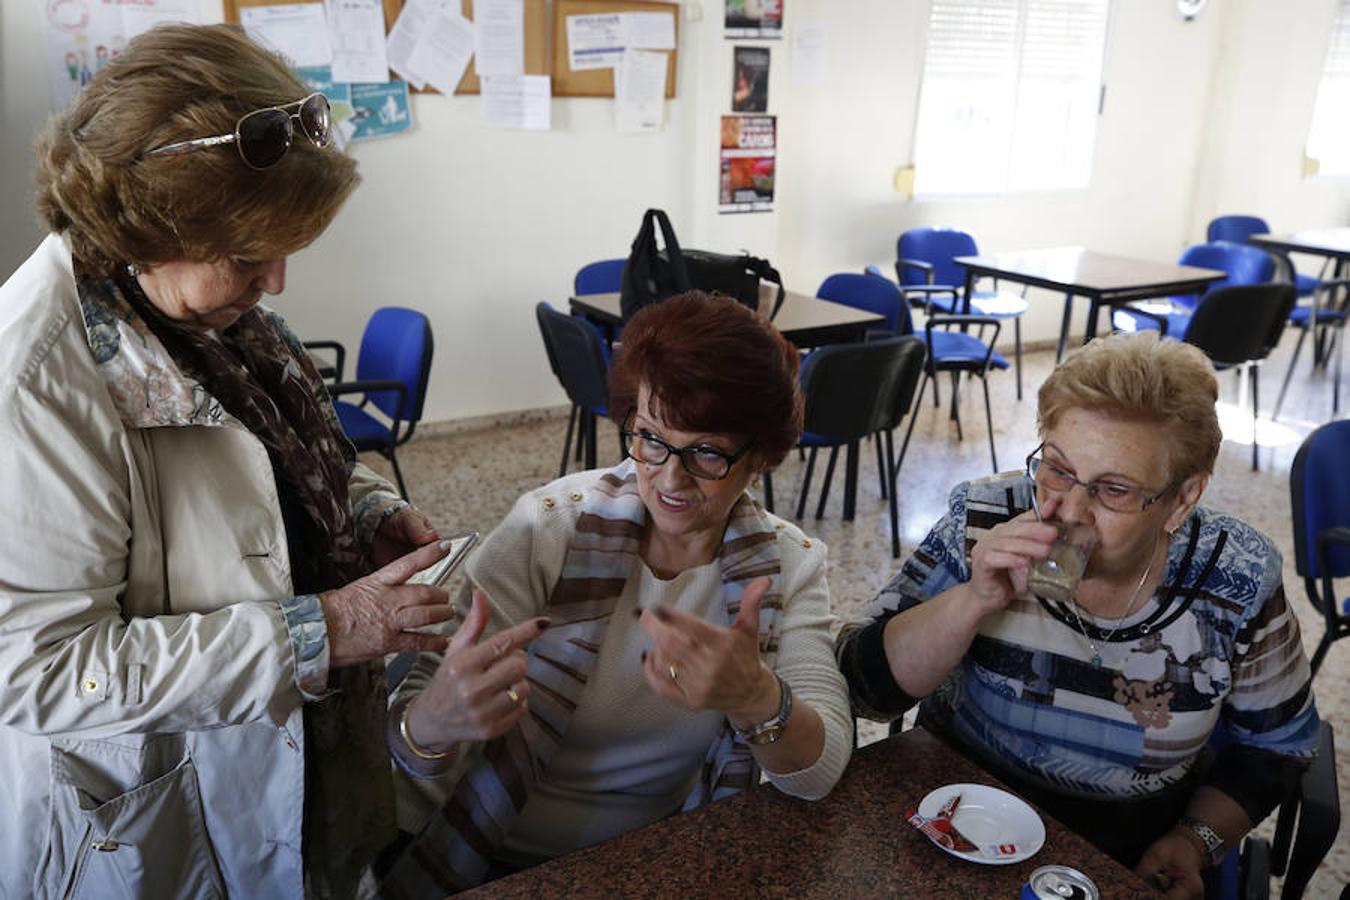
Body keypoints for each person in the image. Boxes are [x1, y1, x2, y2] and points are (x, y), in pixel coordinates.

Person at [0, 24, 458, 898]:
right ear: (143, 223)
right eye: (250, 257)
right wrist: (323, 631)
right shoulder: (33, 385)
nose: (277, 282)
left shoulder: (197, 311)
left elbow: (264, 462)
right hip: (152, 806)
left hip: (301, 757)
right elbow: (39, 669)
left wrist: (361, 510)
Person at [379, 292, 852, 895]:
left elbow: (820, 772)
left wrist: (759, 697)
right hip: (497, 857)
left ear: (759, 455)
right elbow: (408, 752)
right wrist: (431, 724)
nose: (669, 477)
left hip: (660, 856)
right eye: (651, 438)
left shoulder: (789, 563)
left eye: (706, 451)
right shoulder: (547, 529)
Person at [835, 332, 1319, 899]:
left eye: (1113, 489)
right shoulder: (987, 518)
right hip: (958, 814)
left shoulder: (1235, 576)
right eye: (1058, 469)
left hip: (1122, 848)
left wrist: (1193, 840)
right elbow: (863, 691)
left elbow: (1277, 746)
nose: (1066, 509)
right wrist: (971, 600)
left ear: (1183, 499)